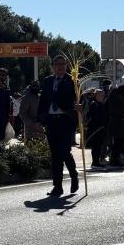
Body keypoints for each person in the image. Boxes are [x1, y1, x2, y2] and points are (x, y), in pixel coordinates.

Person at [38, 54, 79, 196]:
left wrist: (79, 107)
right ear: (53, 66)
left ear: (66, 65)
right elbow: (43, 100)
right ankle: (58, 186)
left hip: (65, 120)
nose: (60, 67)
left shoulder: (72, 81)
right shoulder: (48, 81)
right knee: (55, 155)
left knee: (64, 152)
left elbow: (78, 99)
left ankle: (74, 176)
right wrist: (41, 119)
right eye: (57, 64)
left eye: (62, 64)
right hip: (52, 121)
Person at [106, 84, 124, 168]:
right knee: (118, 144)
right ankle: (115, 160)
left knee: (115, 143)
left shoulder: (112, 98)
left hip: (113, 123)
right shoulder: (119, 99)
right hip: (119, 124)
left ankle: (114, 159)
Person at [85, 88, 108, 168]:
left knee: (98, 146)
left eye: (103, 95)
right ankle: (95, 162)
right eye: (100, 95)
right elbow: (94, 117)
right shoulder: (94, 104)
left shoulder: (100, 104)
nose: (102, 97)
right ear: (96, 96)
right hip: (96, 129)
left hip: (100, 128)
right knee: (96, 146)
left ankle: (96, 161)